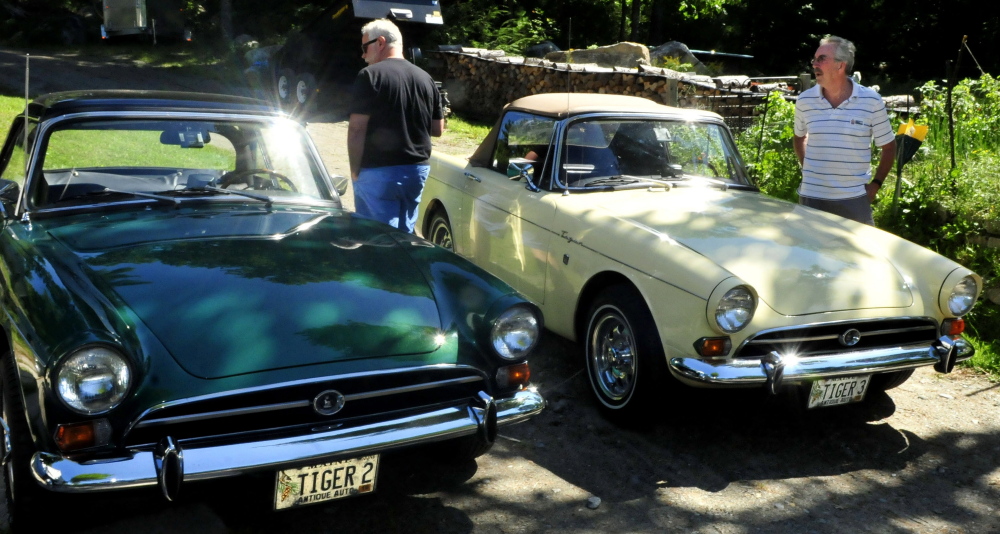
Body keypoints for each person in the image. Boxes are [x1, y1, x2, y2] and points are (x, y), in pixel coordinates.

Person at [348, 19, 444, 233]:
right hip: (416, 170)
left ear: (380, 42)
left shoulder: (370, 76)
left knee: (376, 238)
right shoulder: (426, 78)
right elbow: (437, 129)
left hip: (379, 170)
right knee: (405, 235)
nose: (363, 55)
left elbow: (356, 129)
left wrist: (355, 171)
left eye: (365, 47)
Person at [793, 35, 896, 226]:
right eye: (814, 59)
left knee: (858, 254)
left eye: (821, 59)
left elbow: (889, 147)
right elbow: (799, 138)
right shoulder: (805, 100)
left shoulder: (871, 100)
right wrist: (809, 170)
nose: (815, 64)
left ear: (840, 66)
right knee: (809, 252)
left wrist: (875, 185)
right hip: (811, 198)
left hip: (854, 199)